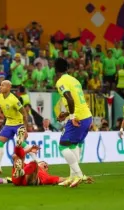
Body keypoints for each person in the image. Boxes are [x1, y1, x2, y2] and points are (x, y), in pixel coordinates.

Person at [53, 58, 93, 188]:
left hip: (78, 117)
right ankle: (72, 177)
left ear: (55, 70)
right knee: (73, 145)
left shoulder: (61, 81)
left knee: (63, 146)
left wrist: (71, 116)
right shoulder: (74, 80)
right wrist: (65, 114)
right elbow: (75, 100)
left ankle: (79, 175)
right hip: (86, 115)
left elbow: (69, 99)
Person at [0, 80, 36, 174]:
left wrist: (25, 129)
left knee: (20, 143)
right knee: (0, 142)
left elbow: (24, 114)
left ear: (8, 88)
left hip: (19, 123)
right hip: (9, 123)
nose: (0, 87)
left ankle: (36, 161)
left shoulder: (14, 100)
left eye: (3, 85)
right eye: (0, 85)